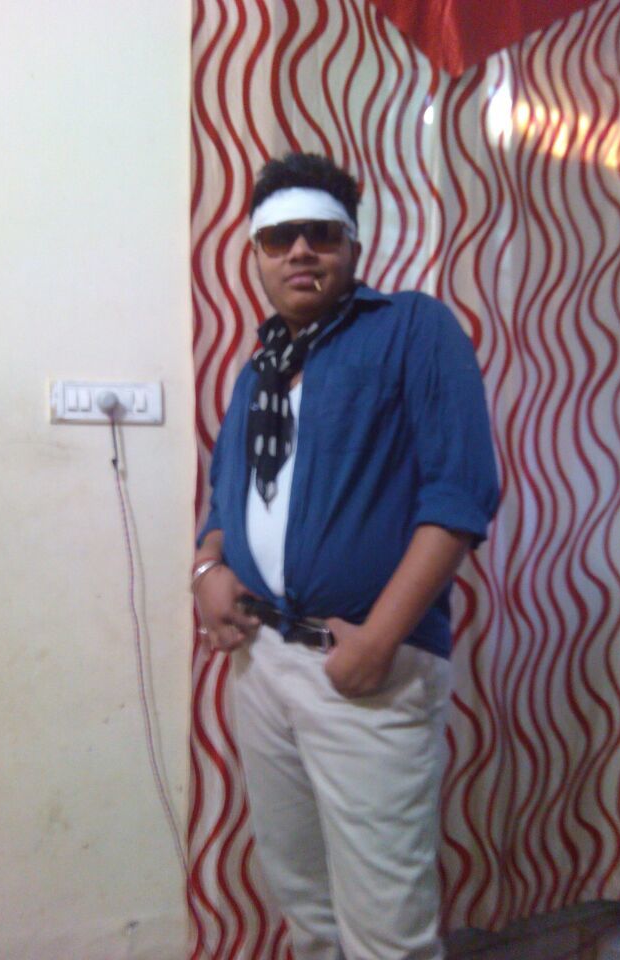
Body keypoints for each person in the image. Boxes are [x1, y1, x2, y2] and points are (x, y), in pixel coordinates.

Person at [192, 152, 499, 960]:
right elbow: (225, 501)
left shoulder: (413, 330)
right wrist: (207, 569)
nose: (300, 250)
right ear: (257, 255)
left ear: (352, 245)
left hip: (364, 665)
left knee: (386, 929)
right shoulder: (258, 371)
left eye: (320, 233)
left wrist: (378, 641)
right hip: (261, 662)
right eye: (279, 237)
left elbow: (459, 495)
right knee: (305, 904)